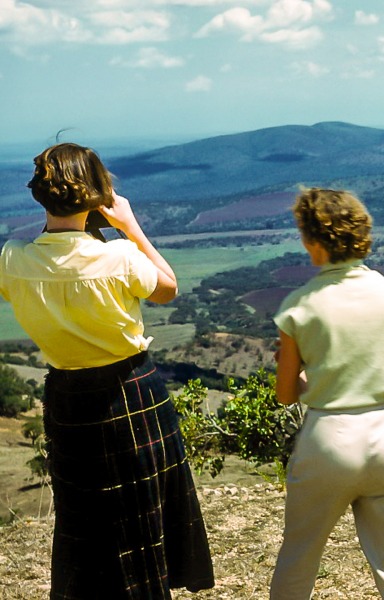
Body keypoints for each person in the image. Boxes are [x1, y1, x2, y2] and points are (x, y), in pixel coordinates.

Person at [0, 142, 214, 599]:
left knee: (83, 517)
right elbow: (168, 289)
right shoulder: (118, 257)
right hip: (134, 392)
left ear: (41, 194)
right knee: (144, 513)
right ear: (96, 196)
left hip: (67, 397)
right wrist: (128, 224)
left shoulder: (13, 260)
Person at [271, 187, 384, 600]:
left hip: (330, 438)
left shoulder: (298, 307)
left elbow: (287, 394)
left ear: (310, 240)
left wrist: (307, 377)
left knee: (299, 555)